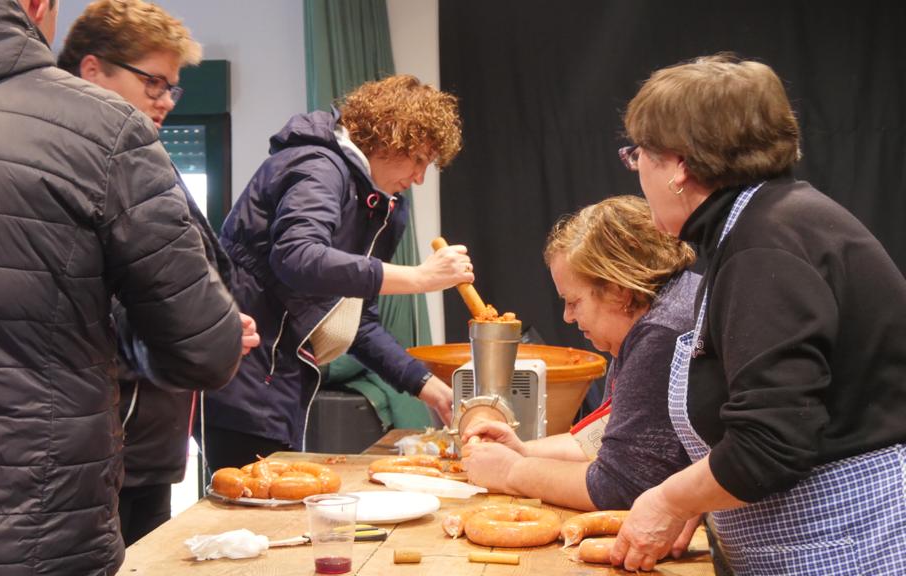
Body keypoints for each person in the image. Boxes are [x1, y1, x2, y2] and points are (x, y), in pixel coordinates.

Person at [0, 0, 245, 573]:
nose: (165, 99)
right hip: (36, 534)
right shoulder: (97, 128)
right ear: (37, 6)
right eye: (153, 82)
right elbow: (204, 350)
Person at [611, 54, 906, 574]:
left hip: (846, 546)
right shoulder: (767, 224)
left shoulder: (764, 247)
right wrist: (702, 496)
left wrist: (670, 500)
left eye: (639, 156)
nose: (637, 172)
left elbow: (770, 444)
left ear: (679, 165)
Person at [57, 0, 260, 546]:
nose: (166, 100)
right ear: (92, 69)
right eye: (153, 83)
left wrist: (209, 324)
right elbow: (84, 303)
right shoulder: (68, 160)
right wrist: (189, 330)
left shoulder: (136, 154)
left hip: (143, 436)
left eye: (172, 87)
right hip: (103, 438)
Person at [202, 74, 472, 470]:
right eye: (417, 159)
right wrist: (418, 278)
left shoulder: (381, 206)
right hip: (242, 373)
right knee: (253, 513)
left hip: (282, 379)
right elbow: (296, 256)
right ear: (387, 136)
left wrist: (426, 386)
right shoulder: (317, 164)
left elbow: (356, 322)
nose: (418, 178)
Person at [462, 196, 698, 516]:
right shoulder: (649, 315)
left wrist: (510, 472)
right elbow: (607, 437)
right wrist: (521, 450)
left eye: (573, 301)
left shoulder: (660, 331)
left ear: (618, 290)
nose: (567, 317)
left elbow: (619, 485)